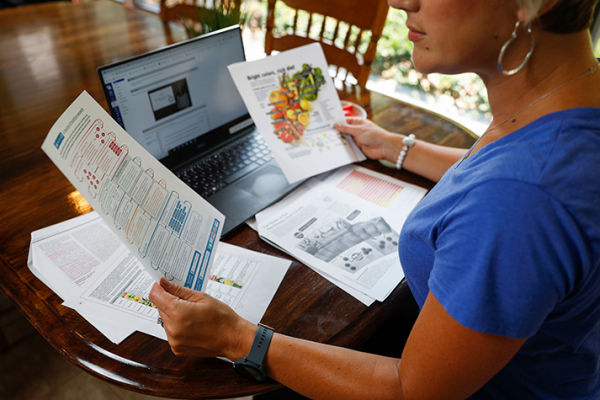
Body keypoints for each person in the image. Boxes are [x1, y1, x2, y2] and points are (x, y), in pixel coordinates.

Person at [149, 0, 600, 398]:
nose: (401, 2)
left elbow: (411, 390)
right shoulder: (570, 99)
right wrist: (394, 146)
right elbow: (498, 164)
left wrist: (237, 338)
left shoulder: (520, 200)